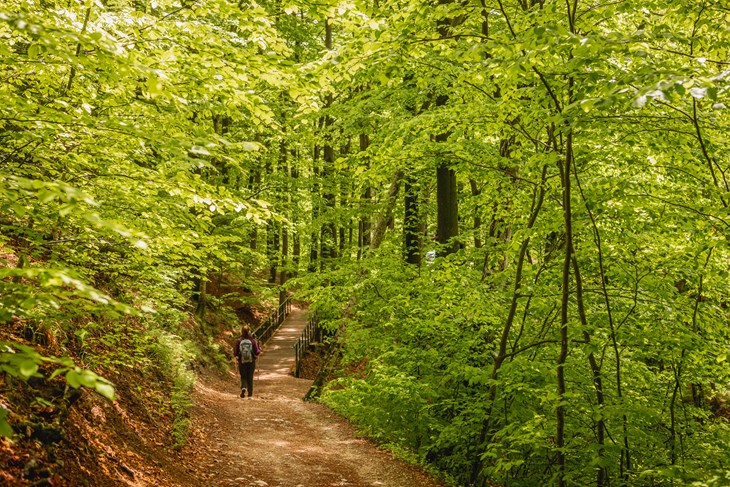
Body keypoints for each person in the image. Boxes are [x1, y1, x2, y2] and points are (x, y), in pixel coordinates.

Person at [233, 325, 261, 399]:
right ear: (249, 332)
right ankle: (250, 395)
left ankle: (243, 387)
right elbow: (257, 351)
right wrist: (259, 351)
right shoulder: (253, 340)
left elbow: (235, 353)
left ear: (241, 331)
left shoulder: (239, 340)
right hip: (251, 361)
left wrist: (236, 356)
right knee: (250, 377)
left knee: (243, 376)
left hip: (242, 361)